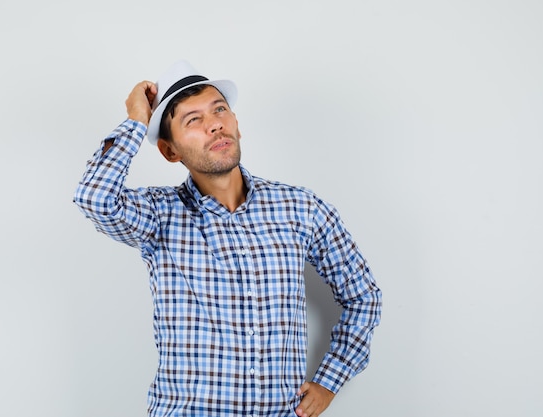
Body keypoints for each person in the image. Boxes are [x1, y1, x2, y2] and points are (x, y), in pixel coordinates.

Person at [74, 60, 382, 417]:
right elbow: (94, 198)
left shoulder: (302, 208)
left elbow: (363, 295)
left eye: (220, 109)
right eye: (194, 120)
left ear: (236, 124)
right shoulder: (159, 215)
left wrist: (331, 379)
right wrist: (136, 121)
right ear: (170, 151)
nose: (215, 124)